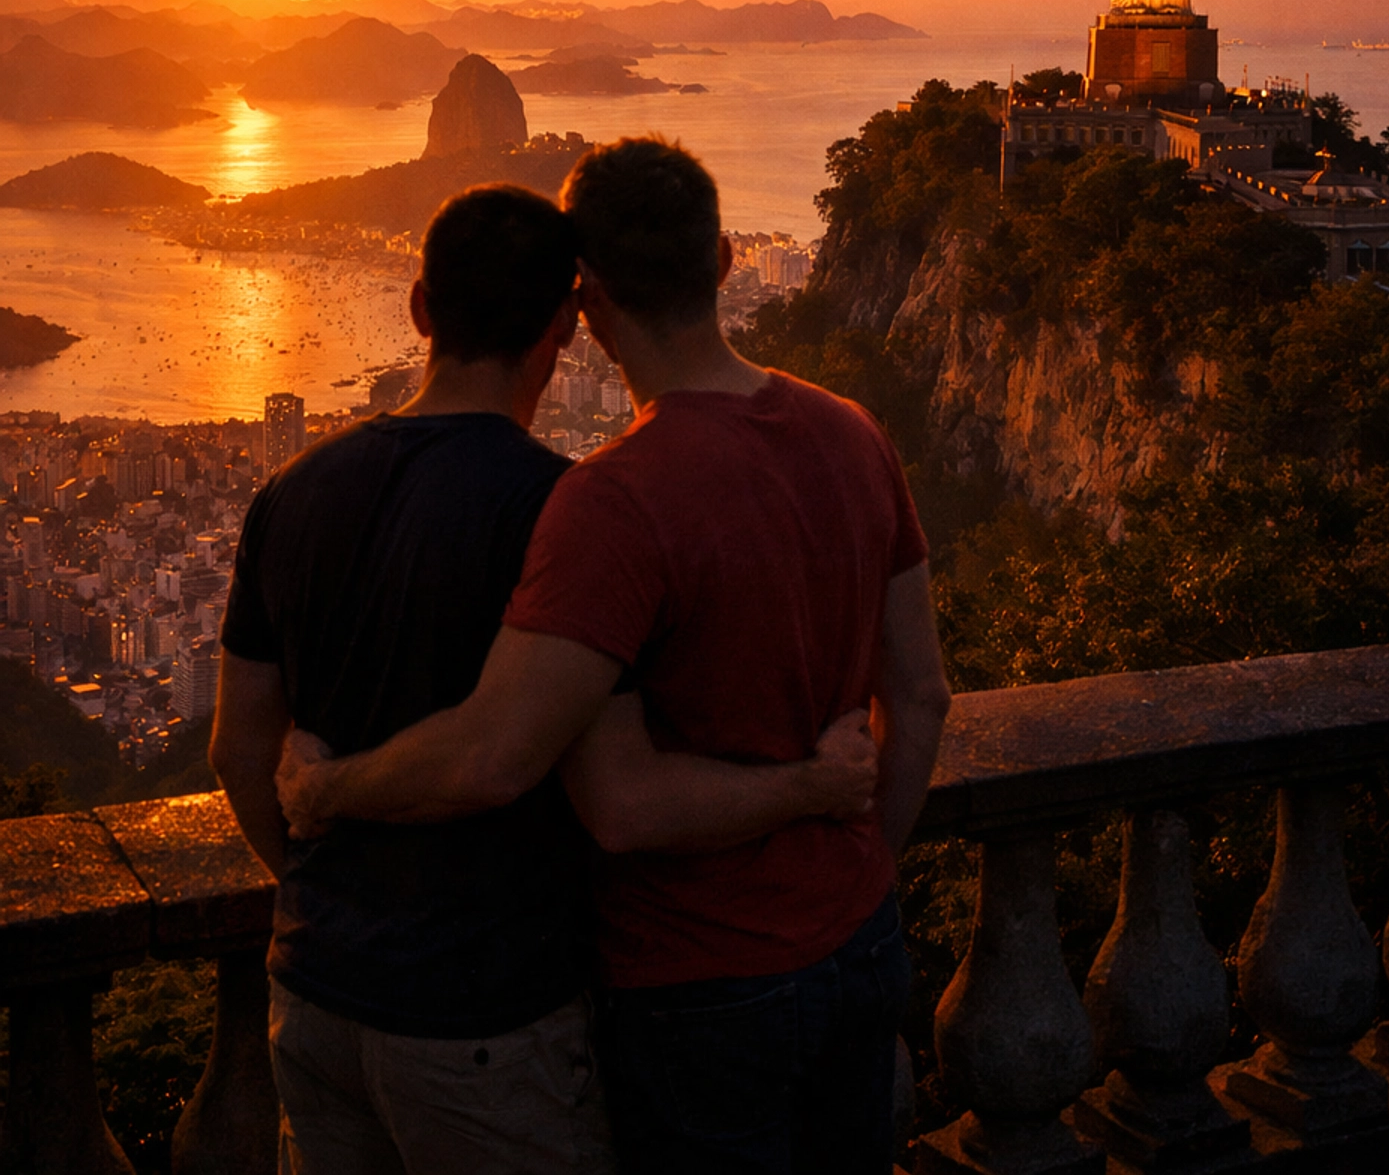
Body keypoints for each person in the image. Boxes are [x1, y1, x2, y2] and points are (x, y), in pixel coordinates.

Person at [279, 140, 952, 1174]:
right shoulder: (853, 431)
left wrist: (328, 789)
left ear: (582, 302)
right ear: (726, 258)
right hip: (861, 950)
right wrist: (860, 864)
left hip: (698, 983)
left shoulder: (612, 501)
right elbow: (922, 691)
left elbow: (578, 789)